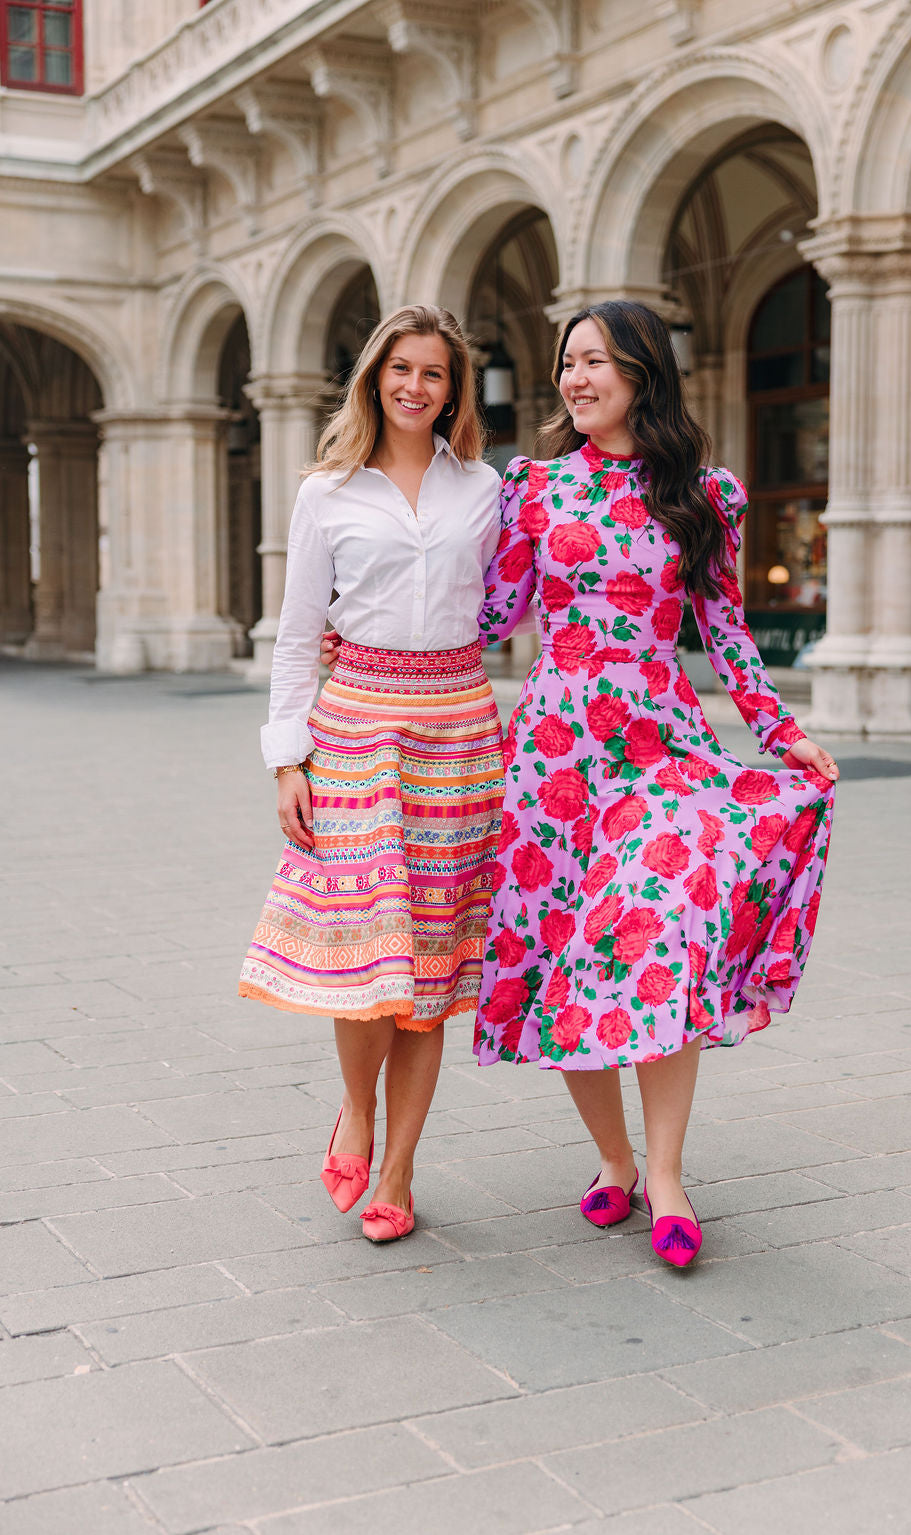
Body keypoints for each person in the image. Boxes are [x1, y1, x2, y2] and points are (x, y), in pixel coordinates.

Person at [471, 300, 839, 1269]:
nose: (575, 378)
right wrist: (380, 635)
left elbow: (724, 630)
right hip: (552, 756)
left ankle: (668, 1173)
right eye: (567, 363)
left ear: (642, 372)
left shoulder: (704, 493)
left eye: (595, 361)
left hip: (660, 745)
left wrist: (781, 730)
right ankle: (613, 1160)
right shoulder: (535, 489)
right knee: (564, 954)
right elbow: (492, 612)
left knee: (658, 942)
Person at [240, 305, 504, 1244]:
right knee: (365, 953)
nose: (415, 387)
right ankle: (358, 1106)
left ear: (453, 390)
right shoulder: (327, 491)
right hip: (354, 731)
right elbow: (297, 633)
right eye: (402, 369)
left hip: (462, 732)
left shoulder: (485, 487)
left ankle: (398, 1169)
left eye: (434, 374)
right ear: (374, 377)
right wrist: (287, 760)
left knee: (428, 969)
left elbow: (515, 602)